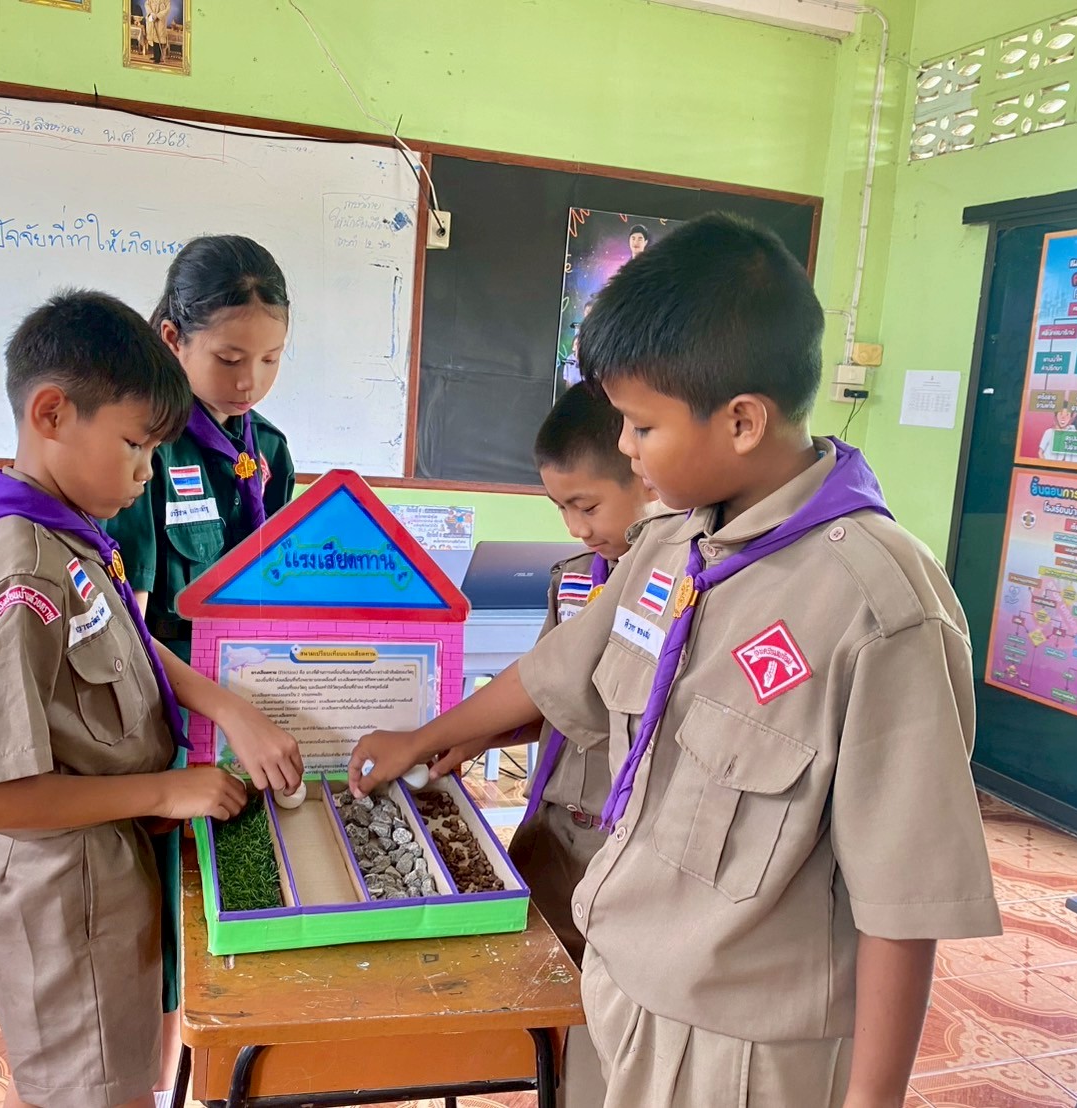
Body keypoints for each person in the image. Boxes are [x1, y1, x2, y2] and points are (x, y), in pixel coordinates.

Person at [350, 213, 1000, 1108]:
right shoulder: (671, 546)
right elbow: (557, 672)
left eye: (640, 425)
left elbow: (903, 902)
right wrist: (425, 737)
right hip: (619, 982)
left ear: (741, 421)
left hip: (743, 1049)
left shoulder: (878, 608)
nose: (623, 447)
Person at [0, 290, 303, 1108]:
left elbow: (131, 642)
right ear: (51, 413)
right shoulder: (26, 574)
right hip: (66, 892)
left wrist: (228, 708)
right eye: (135, 447)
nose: (144, 475)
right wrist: (164, 790)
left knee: (126, 1070)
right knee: (93, 1088)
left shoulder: (69, 537)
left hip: (110, 865)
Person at [104, 234, 298, 1090]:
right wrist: (223, 711)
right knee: (162, 919)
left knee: (241, 898)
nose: (249, 380)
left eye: (270, 359)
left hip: (246, 714)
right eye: (228, 358)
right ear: (172, 338)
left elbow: (278, 592)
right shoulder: (140, 451)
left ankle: (220, 1068)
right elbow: (124, 626)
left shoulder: (269, 450)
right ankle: (160, 1075)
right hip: (167, 722)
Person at [436, 384, 655, 1106]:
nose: (575, 527)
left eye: (587, 506)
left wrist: (441, 733)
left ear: (644, 475)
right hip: (552, 830)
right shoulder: (573, 581)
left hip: (618, 844)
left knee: (609, 1027)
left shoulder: (676, 593)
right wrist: (476, 736)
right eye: (561, 509)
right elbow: (547, 699)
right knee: (545, 1004)